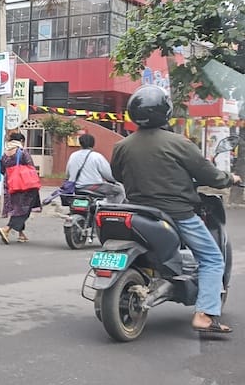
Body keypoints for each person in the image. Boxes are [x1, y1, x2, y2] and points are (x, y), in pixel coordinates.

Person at [112, 85, 241, 334]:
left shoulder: (122, 145)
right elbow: (210, 175)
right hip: (176, 214)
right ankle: (204, 315)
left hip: (136, 211)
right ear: (166, 111)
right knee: (213, 258)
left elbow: (117, 174)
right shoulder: (179, 143)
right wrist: (230, 178)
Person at [0, 132, 41, 244]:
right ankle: (6, 229)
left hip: (10, 183)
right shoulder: (22, 152)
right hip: (24, 184)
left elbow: (2, 170)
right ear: (21, 140)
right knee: (24, 209)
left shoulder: (5, 153)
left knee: (18, 207)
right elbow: (30, 166)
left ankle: (21, 234)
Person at [66, 133, 125, 204]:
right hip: (94, 187)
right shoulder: (96, 156)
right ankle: (111, 210)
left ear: (80, 143)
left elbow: (67, 174)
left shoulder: (73, 155)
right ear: (93, 144)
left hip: (76, 188)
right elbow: (109, 175)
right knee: (118, 191)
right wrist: (117, 180)